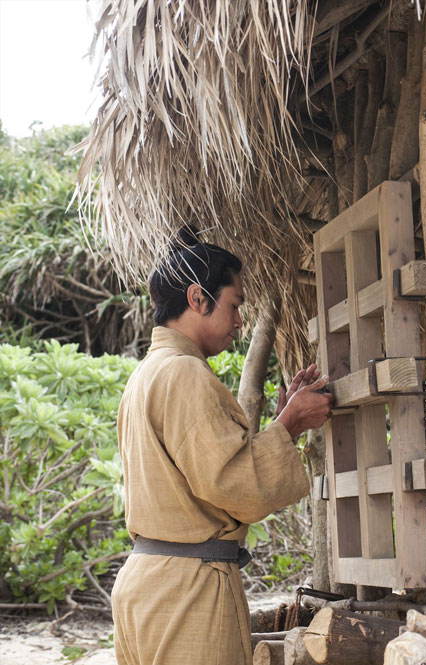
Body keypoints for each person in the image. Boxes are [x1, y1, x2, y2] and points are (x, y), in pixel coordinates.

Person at [111, 230, 333, 665]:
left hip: (144, 587)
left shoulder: (146, 374)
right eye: (234, 305)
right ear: (198, 299)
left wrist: (285, 418)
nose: (238, 322)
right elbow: (233, 484)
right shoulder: (185, 373)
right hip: (187, 592)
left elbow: (200, 470)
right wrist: (289, 424)